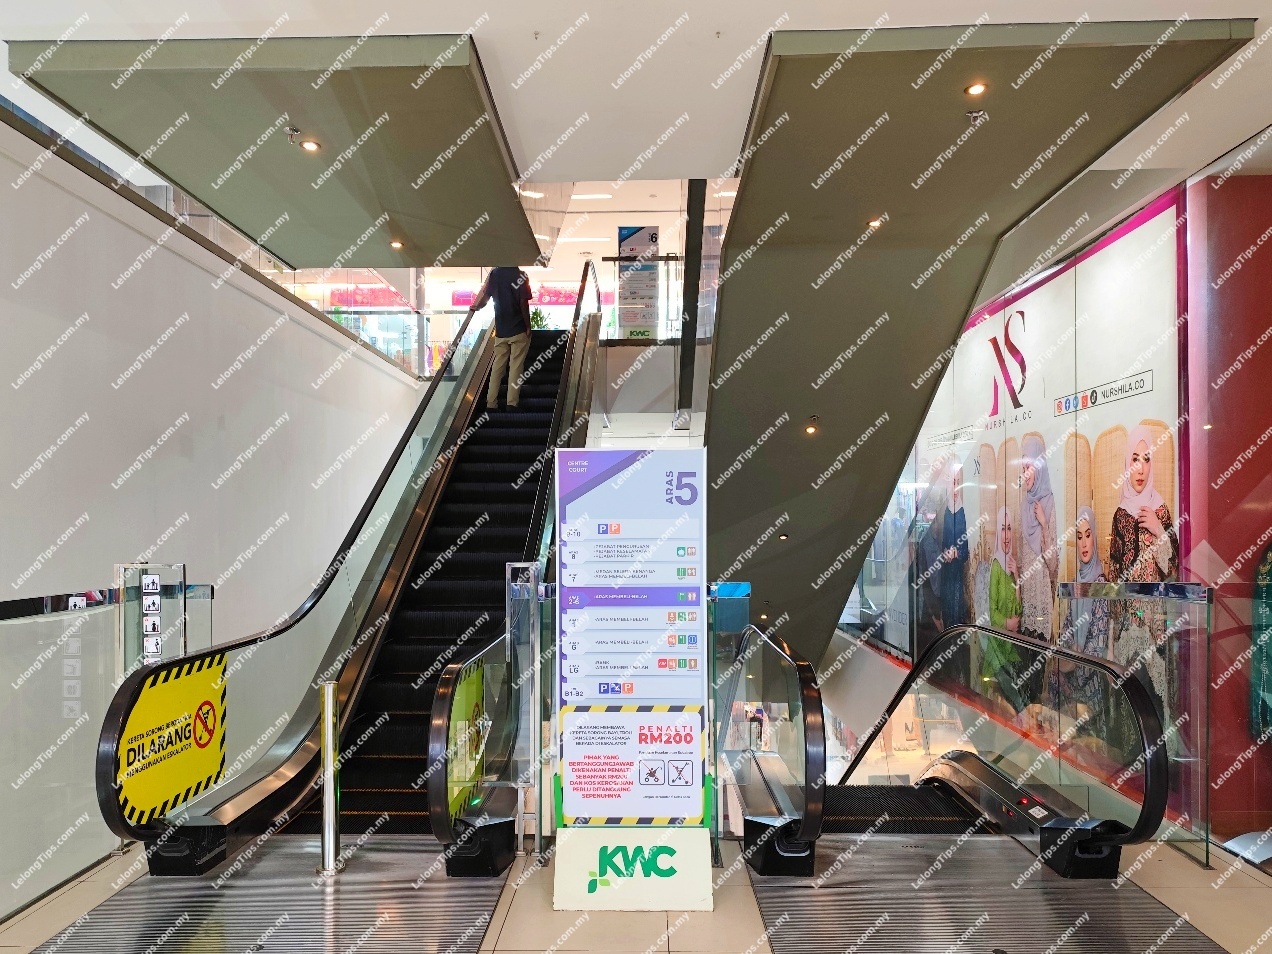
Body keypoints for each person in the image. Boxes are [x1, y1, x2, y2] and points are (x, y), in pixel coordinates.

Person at [1108, 426, 1179, 713]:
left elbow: (1173, 570)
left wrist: (1160, 531)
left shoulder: (1161, 510)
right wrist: (1111, 642)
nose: (1140, 469)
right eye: (1134, 459)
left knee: (1156, 704)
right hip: (1127, 630)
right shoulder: (1120, 515)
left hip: (1156, 626)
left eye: (1146, 459)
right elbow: (1113, 578)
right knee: (1131, 705)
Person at [1051, 507, 1112, 735]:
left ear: (1095, 537)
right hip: (1073, 682)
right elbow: (1067, 630)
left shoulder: (1101, 584)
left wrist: (1073, 661)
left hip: (1092, 684)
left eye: (1088, 535)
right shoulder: (1077, 581)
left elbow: (1097, 645)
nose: (1084, 544)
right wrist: (1068, 657)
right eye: (1079, 537)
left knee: (1090, 747)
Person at [984, 507, 1026, 712]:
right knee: (1014, 700)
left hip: (1011, 646)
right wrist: (1008, 623)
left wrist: (1016, 576)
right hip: (998, 648)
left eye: (1009, 529)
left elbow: (1018, 609)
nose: (1007, 535)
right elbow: (992, 613)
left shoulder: (1011, 565)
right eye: (1003, 529)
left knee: (1020, 695)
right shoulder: (995, 566)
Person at [473, 266, 533, 409]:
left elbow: (486, 297)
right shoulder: (521, 275)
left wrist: (476, 307)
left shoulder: (495, 274)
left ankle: (491, 403)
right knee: (516, 366)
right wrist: (528, 326)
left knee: (497, 367)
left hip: (501, 330)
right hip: (518, 328)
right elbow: (523, 303)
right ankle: (511, 403)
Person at [1019, 435, 1058, 642]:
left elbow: (1053, 565)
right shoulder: (1023, 506)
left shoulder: (1049, 504)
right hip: (1027, 603)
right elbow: (1021, 559)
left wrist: (1043, 524)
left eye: (1029, 467)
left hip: (1043, 602)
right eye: (1023, 469)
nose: (1025, 474)